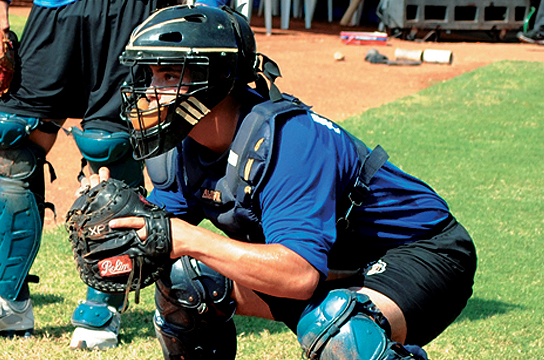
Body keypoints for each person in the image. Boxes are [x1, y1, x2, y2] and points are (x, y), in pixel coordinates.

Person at [87, 5, 477, 359]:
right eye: (151, 75)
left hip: (419, 253)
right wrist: (112, 219)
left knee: (340, 333)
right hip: (331, 260)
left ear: (218, 79)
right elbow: (156, 240)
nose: (152, 93)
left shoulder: (288, 141)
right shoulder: (183, 147)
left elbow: (299, 275)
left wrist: (188, 238)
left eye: (170, 75)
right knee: (186, 283)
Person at [0, 0, 176, 350]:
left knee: (109, 145)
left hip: (131, 9)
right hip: (56, 7)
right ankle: (7, 300)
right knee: (10, 131)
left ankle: (105, 299)